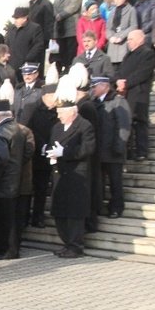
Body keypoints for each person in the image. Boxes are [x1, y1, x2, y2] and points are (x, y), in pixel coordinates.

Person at [47, 77, 96, 258]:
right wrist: (51, 154)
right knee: (60, 212)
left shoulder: (84, 126)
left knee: (75, 213)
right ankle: (66, 243)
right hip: (60, 173)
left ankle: (76, 245)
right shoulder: (57, 127)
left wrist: (65, 152)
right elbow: (53, 144)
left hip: (77, 174)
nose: (58, 115)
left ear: (72, 112)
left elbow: (87, 148)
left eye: (61, 112)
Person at [0, 98, 27, 261]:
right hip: (14, 179)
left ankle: (9, 250)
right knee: (8, 216)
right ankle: (3, 247)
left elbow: (1, 158)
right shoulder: (17, 129)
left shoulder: (1, 132)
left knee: (5, 218)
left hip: (4, 182)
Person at [90, 76, 131, 219]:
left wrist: (119, 146)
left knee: (115, 182)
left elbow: (123, 126)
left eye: (95, 86)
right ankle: (100, 206)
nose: (93, 89)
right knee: (99, 181)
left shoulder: (118, 101)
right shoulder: (95, 102)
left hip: (113, 150)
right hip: (99, 150)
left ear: (105, 86)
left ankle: (116, 207)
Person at [116, 29, 155, 161]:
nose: (128, 42)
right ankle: (128, 151)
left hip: (139, 93)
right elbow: (122, 71)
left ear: (140, 39)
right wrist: (119, 81)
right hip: (126, 93)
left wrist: (125, 83)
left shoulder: (147, 53)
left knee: (139, 121)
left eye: (131, 39)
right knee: (127, 121)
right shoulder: (128, 55)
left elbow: (142, 73)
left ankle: (141, 151)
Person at [27, 84, 59, 228]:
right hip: (35, 156)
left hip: (51, 155)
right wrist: (41, 145)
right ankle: (26, 215)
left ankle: (38, 216)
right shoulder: (34, 110)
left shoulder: (59, 112)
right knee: (30, 188)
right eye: (53, 96)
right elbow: (30, 130)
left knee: (42, 189)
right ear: (45, 97)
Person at [53, 0, 84, 76]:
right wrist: (56, 15)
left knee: (71, 50)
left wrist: (61, 15)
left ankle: (70, 69)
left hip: (71, 27)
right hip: (60, 27)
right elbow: (55, 6)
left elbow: (73, 7)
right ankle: (64, 68)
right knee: (62, 50)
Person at [106, 0, 139, 69]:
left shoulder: (131, 10)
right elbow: (108, 28)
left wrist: (121, 36)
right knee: (113, 67)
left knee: (124, 65)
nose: (116, 1)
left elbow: (134, 26)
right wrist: (110, 37)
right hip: (113, 43)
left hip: (124, 42)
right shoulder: (113, 12)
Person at [6, 7, 45, 73]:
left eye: (17, 18)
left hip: (28, 65)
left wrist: (27, 59)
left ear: (25, 18)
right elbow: (7, 43)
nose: (15, 21)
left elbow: (38, 45)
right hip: (12, 65)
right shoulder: (11, 29)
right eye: (14, 18)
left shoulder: (35, 28)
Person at [27, 0, 55, 75]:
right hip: (31, 37)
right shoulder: (31, 4)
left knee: (39, 60)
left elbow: (49, 22)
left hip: (41, 38)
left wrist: (46, 39)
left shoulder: (45, 4)